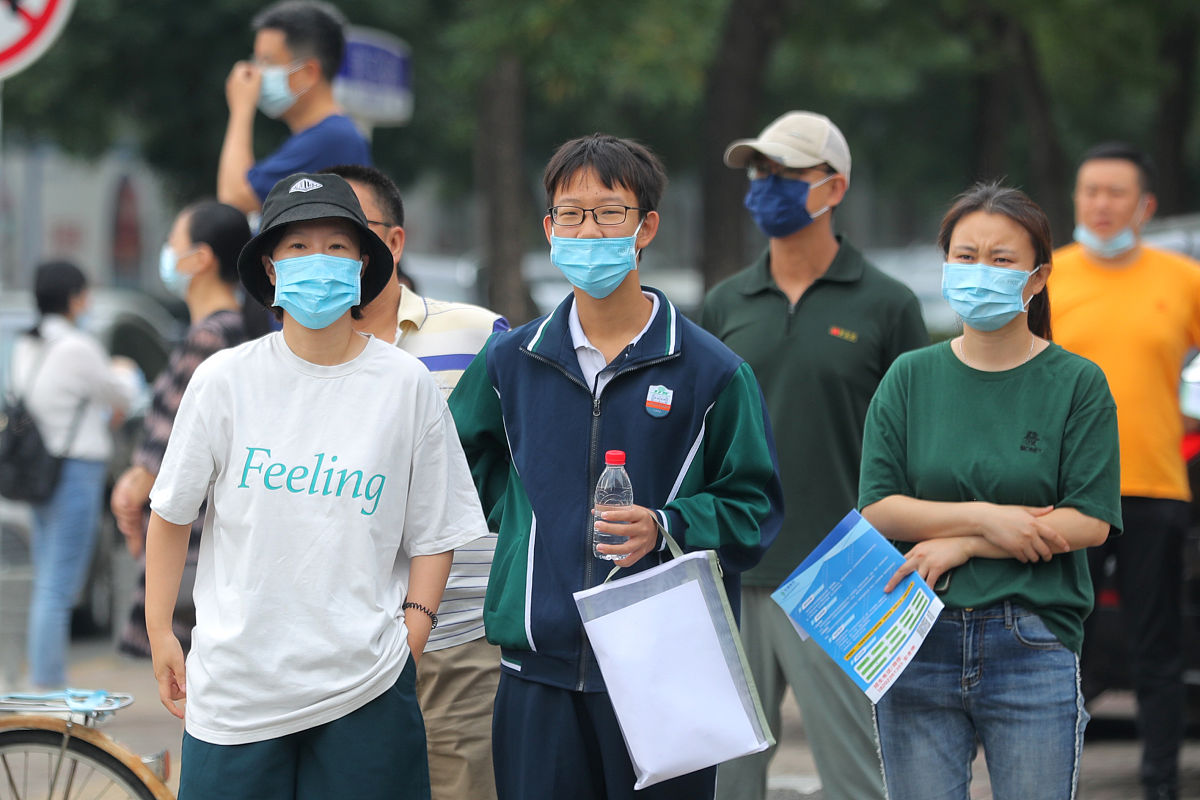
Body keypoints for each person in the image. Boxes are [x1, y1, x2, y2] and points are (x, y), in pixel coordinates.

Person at [448, 133, 784, 800]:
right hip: (536, 670)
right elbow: (457, 460)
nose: (588, 229)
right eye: (570, 214)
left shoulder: (712, 371)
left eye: (609, 212)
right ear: (549, 228)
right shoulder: (511, 362)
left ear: (646, 227)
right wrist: (522, 524)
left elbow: (756, 510)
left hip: (668, 672)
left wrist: (666, 526)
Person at [144, 173, 488, 799]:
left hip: (366, 690)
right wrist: (160, 630)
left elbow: (438, 531)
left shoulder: (404, 385)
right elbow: (170, 514)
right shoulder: (226, 380)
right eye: (297, 248)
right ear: (270, 269)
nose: (318, 263)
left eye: (336, 246)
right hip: (237, 694)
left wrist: (411, 632)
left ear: (364, 264)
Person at [858, 182, 1121, 799]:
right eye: (965, 255)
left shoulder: (1077, 384)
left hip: (1031, 638)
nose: (980, 272)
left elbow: (1090, 520)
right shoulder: (910, 376)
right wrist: (985, 519)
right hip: (913, 636)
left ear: (1036, 279)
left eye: (1001, 260)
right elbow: (880, 507)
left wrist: (965, 546)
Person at [700, 110, 926, 800]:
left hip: (853, 568)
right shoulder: (725, 301)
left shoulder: (888, 305)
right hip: (734, 568)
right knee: (724, 780)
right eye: (758, 171)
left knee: (860, 778)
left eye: (785, 173)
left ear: (834, 188)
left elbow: (918, 445)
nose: (765, 184)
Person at [324, 162, 509, 800]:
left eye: (345, 234)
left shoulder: (479, 336)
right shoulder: (292, 357)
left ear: (393, 243)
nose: (329, 256)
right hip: (339, 651)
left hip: (458, 642)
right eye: (310, 240)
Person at [1048, 142, 1200, 800]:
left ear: (1146, 206)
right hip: (1065, 495)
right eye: (1090, 191)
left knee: (1156, 652)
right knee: (1059, 651)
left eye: (1115, 193)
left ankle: (1161, 785)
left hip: (1155, 489)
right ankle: (1054, 779)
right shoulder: (1047, 276)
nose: (1101, 204)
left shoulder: (1182, 279)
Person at [109, 200, 253, 658]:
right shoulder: (233, 331)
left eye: (174, 243)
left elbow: (170, 444)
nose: (168, 254)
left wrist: (133, 488)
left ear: (201, 259)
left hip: (192, 539)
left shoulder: (211, 337)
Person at [12, 260, 139, 689]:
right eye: (84, 294)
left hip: (40, 473)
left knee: (49, 579)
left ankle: (45, 680)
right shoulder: (77, 347)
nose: (86, 302)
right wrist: (122, 369)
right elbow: (122, 393)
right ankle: (47, 685)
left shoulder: (25, 346)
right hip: (76, 473)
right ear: (72, 298)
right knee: (59, 586)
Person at [217, 0, 370, 215]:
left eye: (267, 62)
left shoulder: (332, 138)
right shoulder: (321, 137)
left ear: (308, 73)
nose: (256, 73)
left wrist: (241, 109)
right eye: (256, 60)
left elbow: (235, 197)